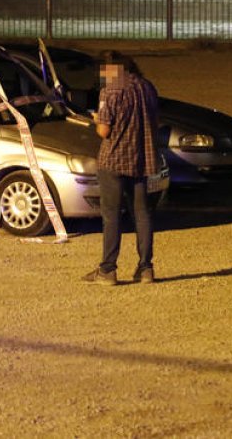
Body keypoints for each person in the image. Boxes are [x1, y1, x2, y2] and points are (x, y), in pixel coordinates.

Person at [83, 51, 161, 286]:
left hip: (114, 160)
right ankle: (146, 268)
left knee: (112, 215)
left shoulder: (111, 91)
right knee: (142, 213)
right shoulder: (147, 88)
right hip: (141, 160)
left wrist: (96, 119)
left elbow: (104, 131)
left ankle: (108, 269)